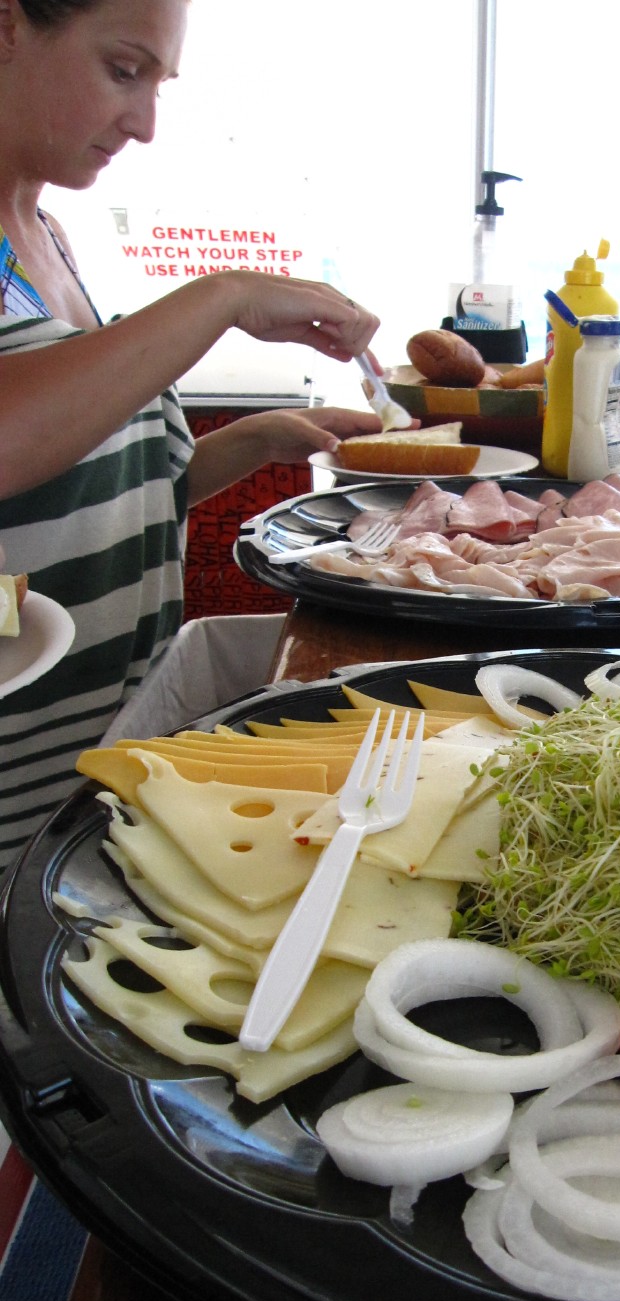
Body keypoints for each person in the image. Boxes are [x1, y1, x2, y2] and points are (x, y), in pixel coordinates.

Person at [0, 0, 389, 874]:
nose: (142, 124)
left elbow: (88, 489)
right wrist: (224, 297)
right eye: (122, 70)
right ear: (8, 26)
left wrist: (256, 443)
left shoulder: (47, 237)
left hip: (93, 748)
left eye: (159, 85)